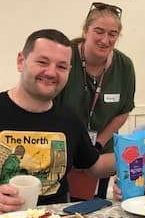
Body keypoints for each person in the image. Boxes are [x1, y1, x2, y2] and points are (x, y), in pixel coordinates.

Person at [0, 29, 115, 213]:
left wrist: (137, 154)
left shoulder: (70, 120)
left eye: (61, 66)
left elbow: (94, 166)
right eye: (42, 62)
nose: (51, 73)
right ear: (21, 61)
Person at [55, 2, 135, 200]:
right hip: (63, 152)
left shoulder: (124, 66)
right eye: (99, 31)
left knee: (95, 207)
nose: (105, 40)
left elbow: (123, 110)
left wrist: (98, 144)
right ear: (85, 31)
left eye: (112, 34)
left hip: (101, 155)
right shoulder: (66, 58)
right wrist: (76, 147)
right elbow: (49, 106)